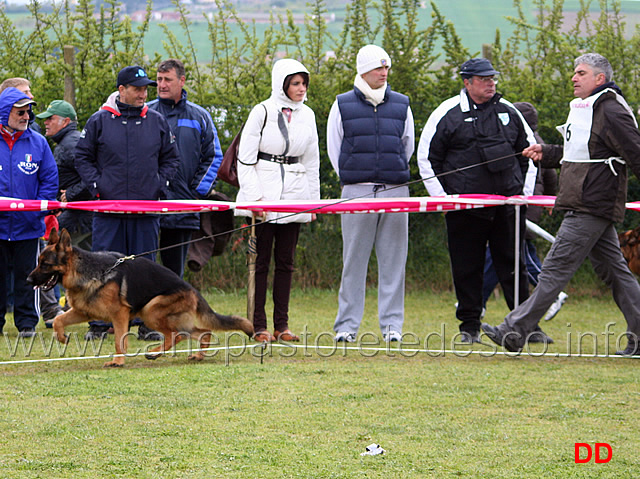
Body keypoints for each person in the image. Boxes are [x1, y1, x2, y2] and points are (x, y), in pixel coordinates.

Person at [482, 53, 640, 356]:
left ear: (599, 79)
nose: (573, 78)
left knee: (553, 270)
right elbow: (582, 153)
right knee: (616, 273)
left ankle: (513, 332)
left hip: (590, 204)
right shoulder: (590, 108)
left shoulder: (611, 110)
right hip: (587, 201)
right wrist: (548, 153)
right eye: (574, 72)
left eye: (581, 73)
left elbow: (634, 152)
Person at [417, 57, 537, 344]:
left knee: (513, 266)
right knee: (466, 267)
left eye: (492, 78)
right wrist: (443, 200)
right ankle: (469, 327)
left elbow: (531, 153)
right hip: (465, 209)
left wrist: (524, 196)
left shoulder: (509, 111)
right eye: (484, 79)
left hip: (508, 207)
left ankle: (525, 327)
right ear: (467, 82)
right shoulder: (447, 113)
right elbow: (427, 158)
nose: (491, 83)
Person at [75, 65, 180, 340]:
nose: (143, 94)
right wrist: (98, 187)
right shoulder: (99, 121)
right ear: (121, 90)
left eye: (146, 88)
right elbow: (82, 158)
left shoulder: (156, 121)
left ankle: (148, 325)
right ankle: (98, 325)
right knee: (101, 268)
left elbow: (171, 159)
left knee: (146, 269)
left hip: (146, 212)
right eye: (137, 88)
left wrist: (159, 186)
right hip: (108, 211)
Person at [327, 44, 414, 343]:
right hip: (356, 192)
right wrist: (355, 179)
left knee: (394, 261)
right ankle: (346, 326)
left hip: (395, 191)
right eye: (379, 67)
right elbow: (334, 149)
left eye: (386, 67)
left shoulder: (402, 104)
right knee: (353, 260)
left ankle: (392, 326)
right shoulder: (341, 104)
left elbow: (407, 145)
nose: (384, 72)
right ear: (363, 70)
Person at [236, 58, 320, 342]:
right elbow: (245, 159)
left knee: (287, 262)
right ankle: (258, 324)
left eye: (303, 83)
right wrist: (254, 197)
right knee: (260, 262)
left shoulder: (308, 115)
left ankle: (281, 325)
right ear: (282, 84)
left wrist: (313, 203)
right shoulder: (261, 111)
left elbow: (312, 161)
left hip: (296, 192)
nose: (301, 88)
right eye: (295, 83)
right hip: (264, 189)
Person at [481, 102, 567, 324]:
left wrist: (544, 200)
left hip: (524, 206)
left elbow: (547, 176)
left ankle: (554, 294)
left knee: (520, 256)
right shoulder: (534, 141)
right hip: (527, 205)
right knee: (501, 255)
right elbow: (550, 178)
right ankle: (477, 301)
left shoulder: (527, 142)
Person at [147, 58, 223, 278]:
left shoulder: (199, 116)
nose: (161, 85)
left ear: (181, 81)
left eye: (167, 80)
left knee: (173, 275)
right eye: (159, 79)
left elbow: (214, 156)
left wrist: (197, 191)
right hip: (149, 204)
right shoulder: (146, 113)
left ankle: (171, 313)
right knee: (143, 270)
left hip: (183, 206)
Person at [0, 87, 58, 337]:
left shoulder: (38, 142)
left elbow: (49, 179)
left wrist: (37, 210)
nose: (26, 116)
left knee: (29, 276)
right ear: (5, 113)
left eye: (28, 111)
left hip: (27, 226)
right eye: (20, 112)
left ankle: (26, 324)